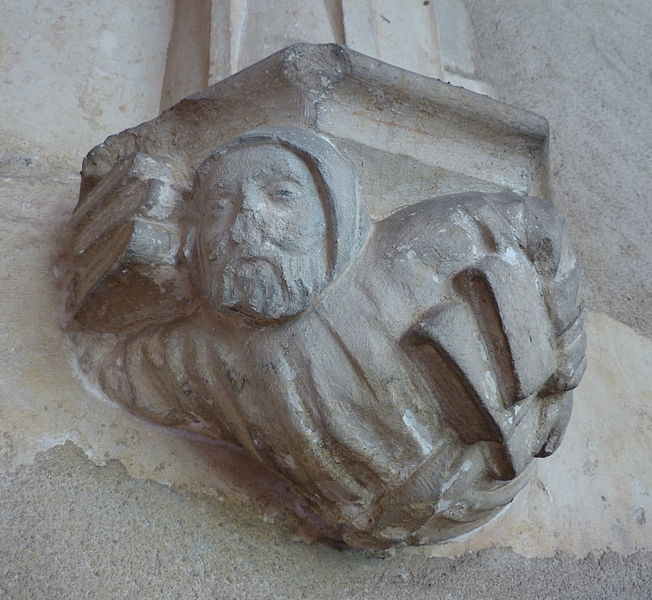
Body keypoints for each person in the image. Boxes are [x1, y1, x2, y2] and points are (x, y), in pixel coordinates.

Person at [66, 127, 585, 548]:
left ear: (336, 212)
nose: (247, 219)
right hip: (385, 524)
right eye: (219, 207)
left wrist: (564, 368)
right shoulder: (204, 354)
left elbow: (540, 229)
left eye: (282, 194)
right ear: (196, 241)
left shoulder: (418, 246)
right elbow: (108, 362)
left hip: (502, 464)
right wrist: (136, 266)